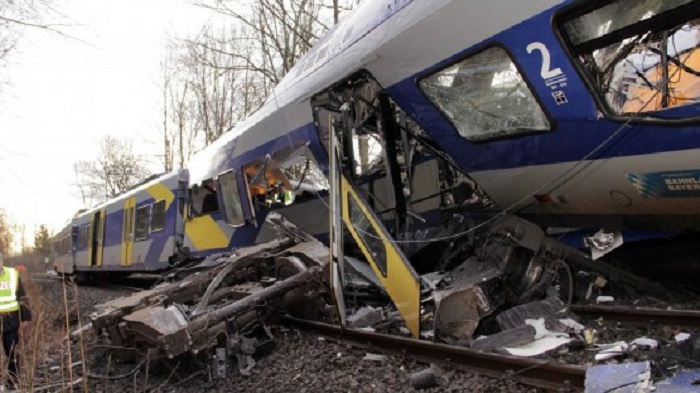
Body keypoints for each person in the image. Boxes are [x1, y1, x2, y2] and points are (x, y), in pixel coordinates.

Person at [0, 253, 31, 391]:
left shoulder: (13, 274)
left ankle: (13, 382)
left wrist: (25, 317)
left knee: (12, 351)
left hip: (10, 320)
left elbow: (22, 296)